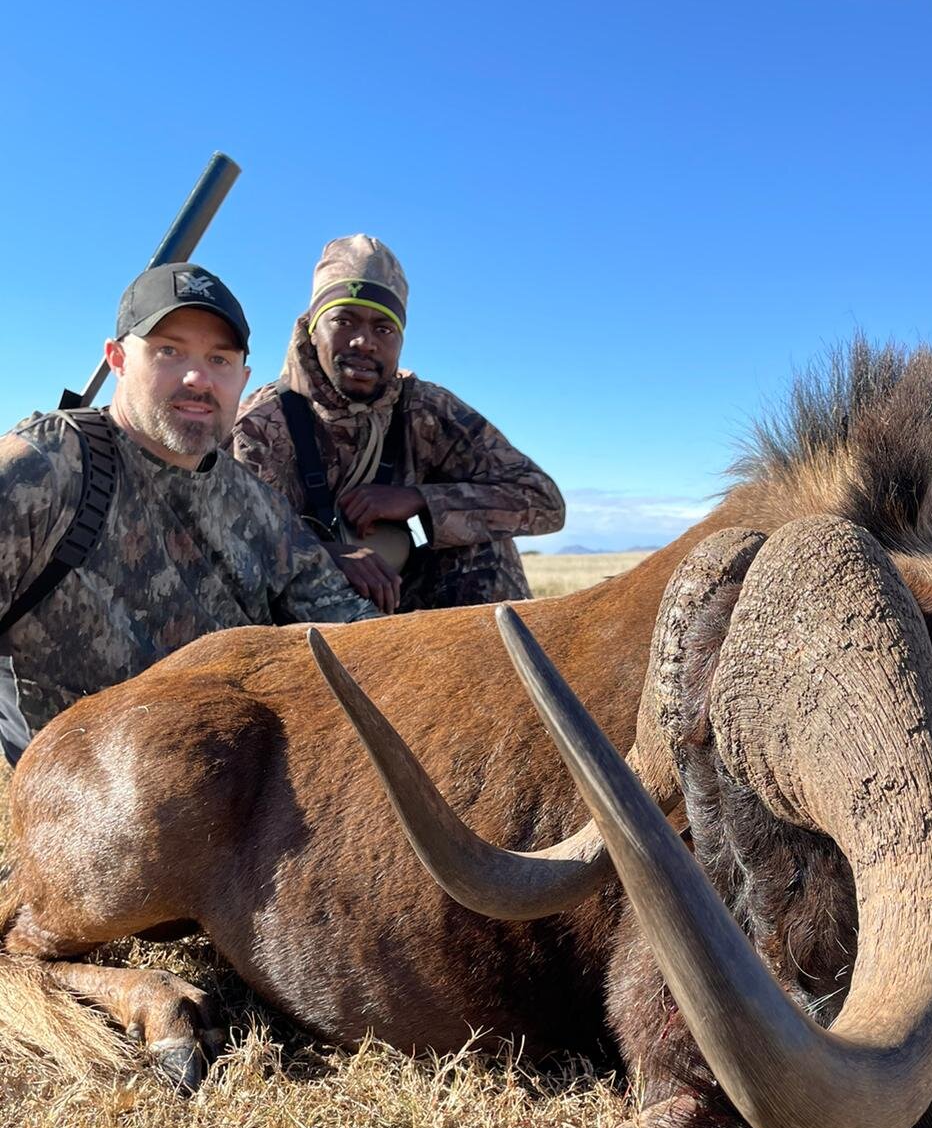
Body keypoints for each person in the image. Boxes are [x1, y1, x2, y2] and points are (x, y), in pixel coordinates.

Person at [0, 263, 376, 765]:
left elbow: (354, 636)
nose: (198, 378)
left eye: (219, 359)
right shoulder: (43, 470)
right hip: (88, 798)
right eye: (168, 351)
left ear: (243, 378)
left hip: (243, 784)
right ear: (116, 359)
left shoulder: (257, 505)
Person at [230, 235, 565, 614]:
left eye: (383, 329)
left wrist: (420, 499)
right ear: (311, 328)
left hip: (401, 598)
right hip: (302, 613)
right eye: (344, 320)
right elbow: (241, 548)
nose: (364, 342)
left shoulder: (426, 409)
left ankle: (501, 668)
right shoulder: (262, 422)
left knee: (485, 544)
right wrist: (323, 556)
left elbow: (544, 501)